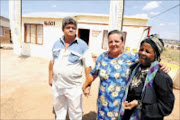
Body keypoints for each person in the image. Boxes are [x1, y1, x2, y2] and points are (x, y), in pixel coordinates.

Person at [82, 30, 170, 120]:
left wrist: (161, 65)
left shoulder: (131, 57)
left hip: (121, 105)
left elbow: (148, 59)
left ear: (122, 42)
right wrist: (86, 85)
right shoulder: (102, 57)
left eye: (117, 41)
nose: (113, 44)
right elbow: (93, 74)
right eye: (110, 42)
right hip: (103, 103)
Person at [121, 34, 174, 120]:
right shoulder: (134, 68)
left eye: (147, 51)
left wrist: (139, 105)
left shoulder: (160, 76)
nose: (142, 53)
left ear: (156, 55)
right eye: (141, 49)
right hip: (128, 115)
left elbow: (166, 107)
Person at [49, 16, 93, 120]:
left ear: (76, 29)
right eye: (68, 27)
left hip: (73, 87)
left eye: (73, 27)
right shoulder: (56, 43)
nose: (71, 29)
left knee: (75, 112)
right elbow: (51, 61)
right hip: (57, 85)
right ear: (63, 29)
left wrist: (88, 84)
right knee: (59, 109)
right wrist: (50, 77)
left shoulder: (82, 45)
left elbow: (88, 66)